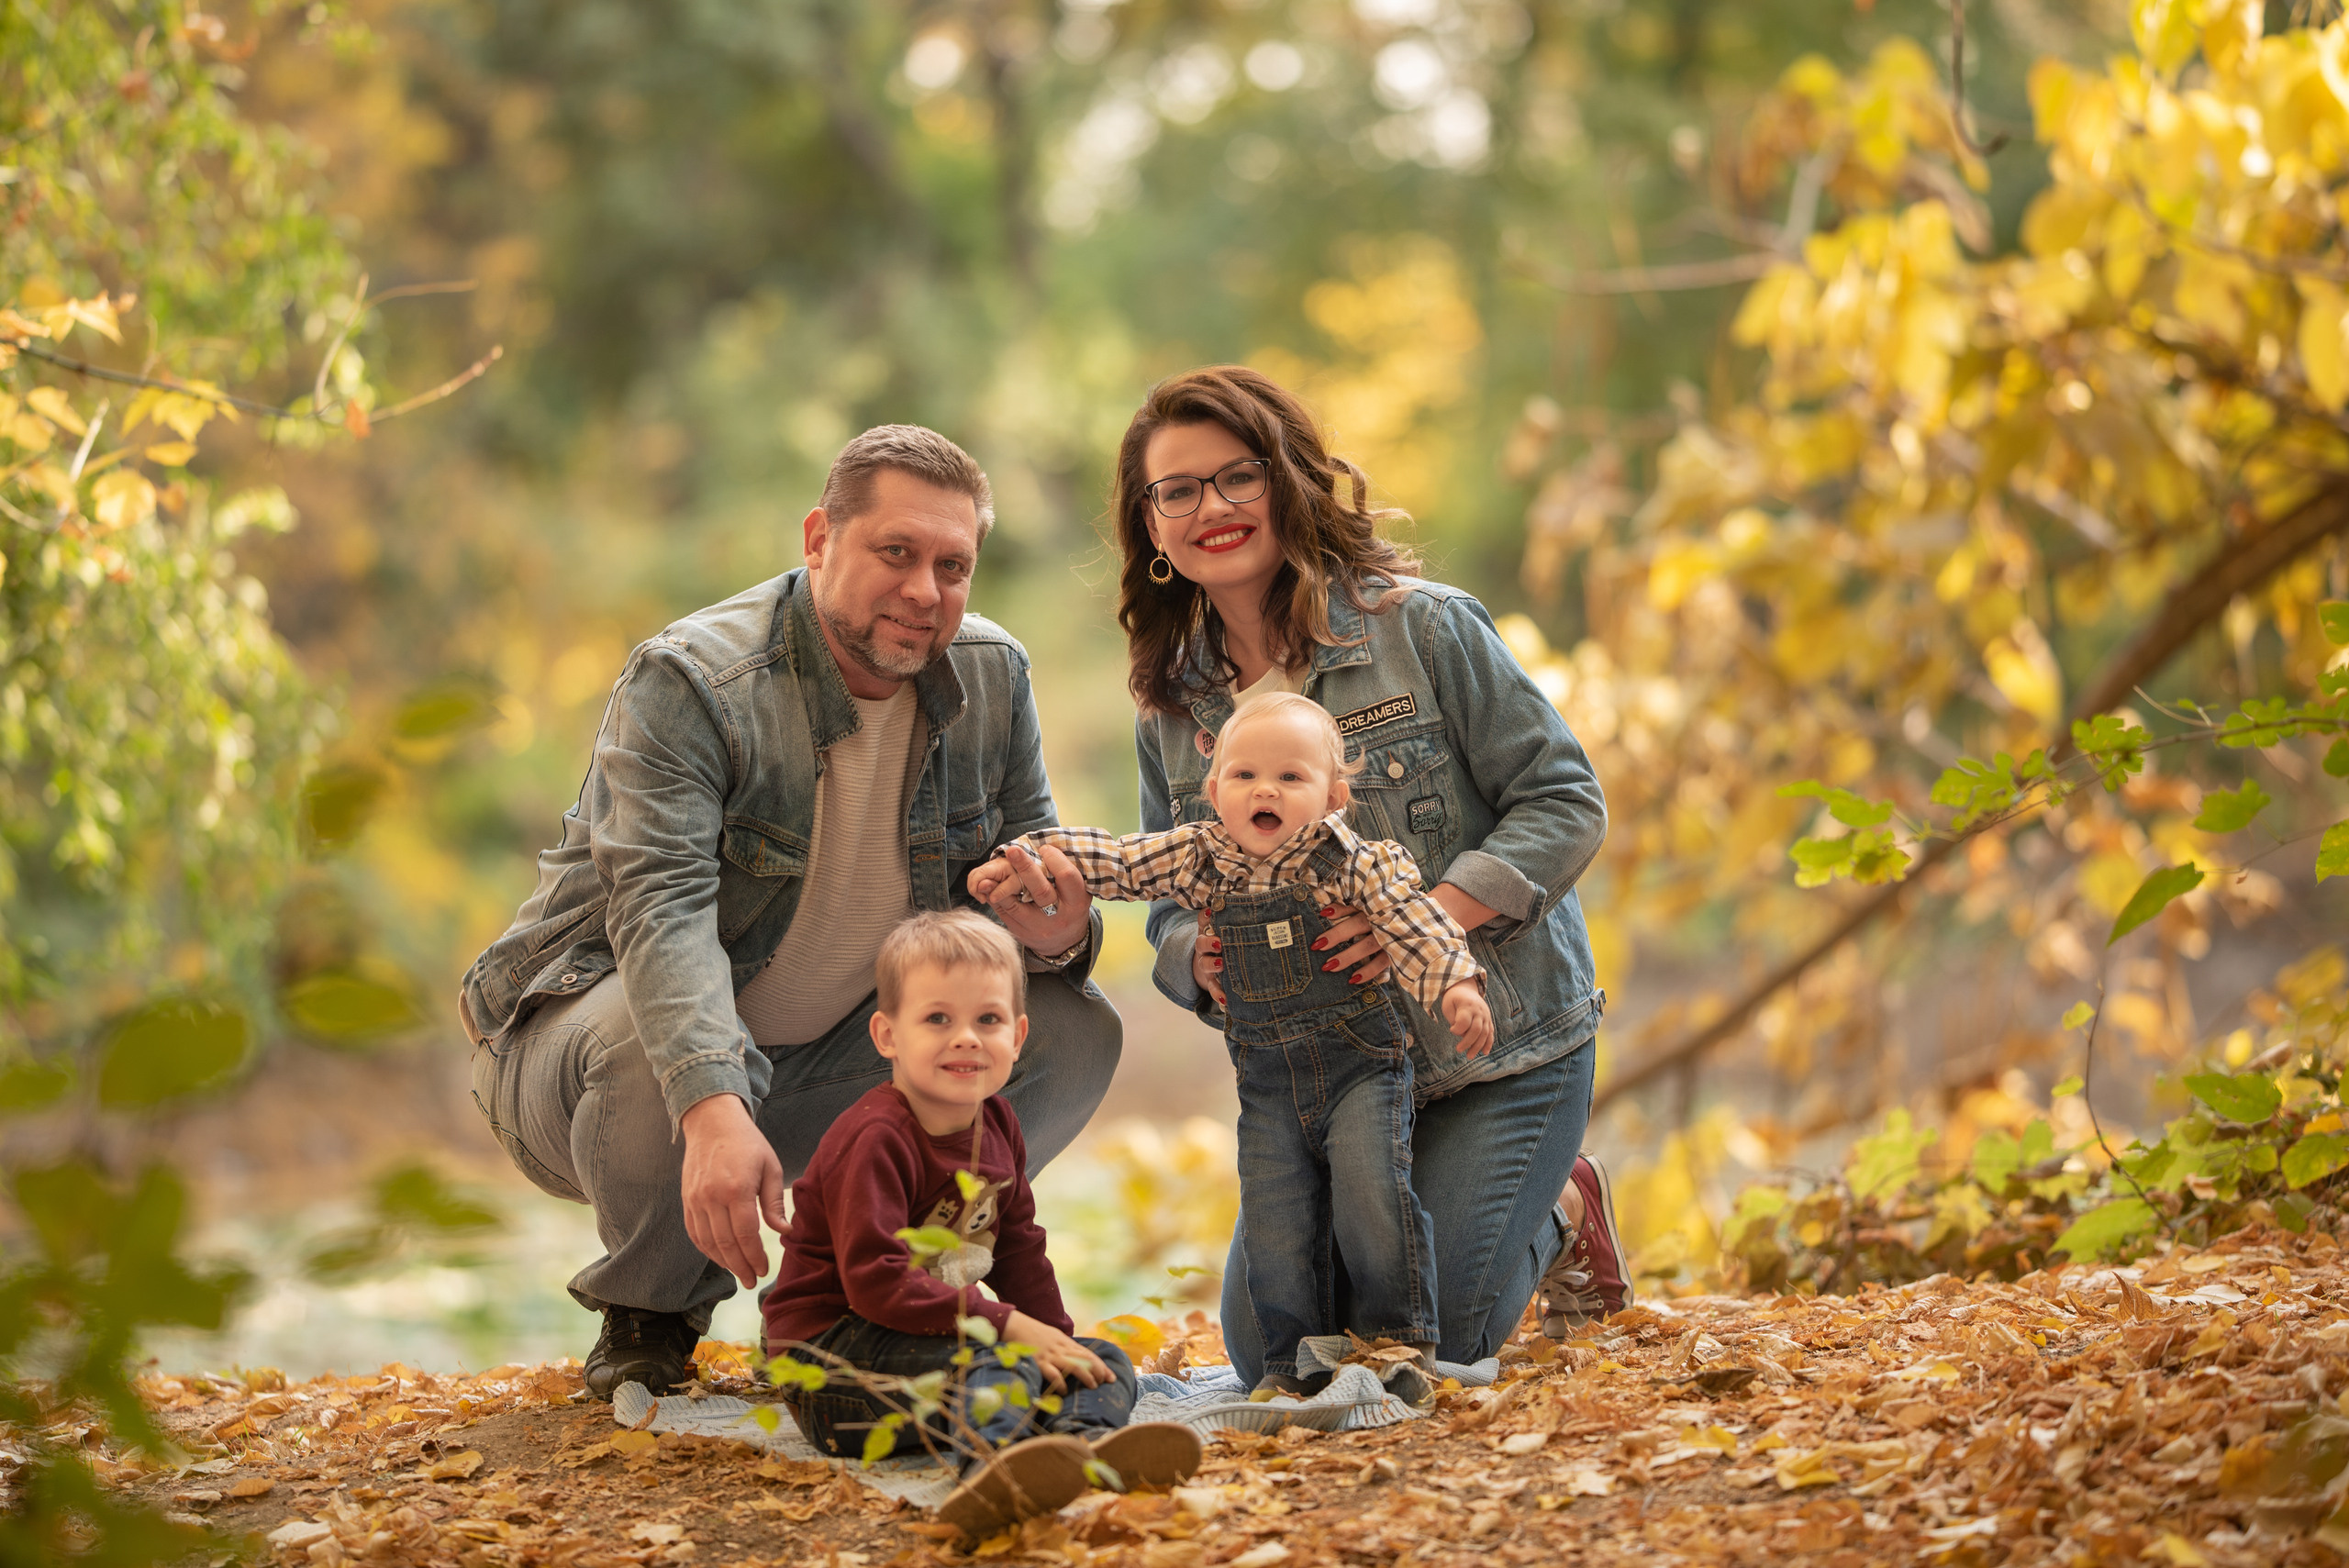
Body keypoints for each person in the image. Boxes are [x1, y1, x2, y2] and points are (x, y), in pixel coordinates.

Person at [459, 426, 1119, 1398]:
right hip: (580, 1055)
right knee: (660, 1048)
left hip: (825, 1060)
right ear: (819, 538)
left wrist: (1058, 930)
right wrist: (714, 1107)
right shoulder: (691, 681)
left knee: (1063, 1027)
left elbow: (1027, 900)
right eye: (895, 552)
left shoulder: (992, 675)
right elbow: (662, 912)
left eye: (952, 565)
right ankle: (651, 1311)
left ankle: (896, 1290)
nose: (924, 592)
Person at [1102, 365, 1628, 1379]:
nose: (1209, 508)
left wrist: (1424, 919)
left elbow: (1565, 799)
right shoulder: (1170, 707)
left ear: (1289, 480)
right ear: (1152, 527)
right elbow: (1166, 897)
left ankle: (1563, 1206)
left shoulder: (1421, 627)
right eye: (1176, 490)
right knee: (1273, 1357)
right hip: (1324, 1080)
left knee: (1427, 1341)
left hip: (1498, 1055)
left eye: (1236, 477)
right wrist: (1195, 955)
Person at [971, 693, 1490, 1397]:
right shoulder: (1200, 857)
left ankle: (1396, 1342)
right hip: (1268, 1083)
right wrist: (1030, 860)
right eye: (1244, 776)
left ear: (1334, 796)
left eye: (1291, 777)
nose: (1265, 789)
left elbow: (1418, 925)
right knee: (1278, 1216)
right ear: (1214, 791)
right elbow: (1119, 861)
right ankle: (1290, 1361)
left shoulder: (1359, 863)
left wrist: (1455, 986)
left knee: (1373, 1196)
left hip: (1360, 1068)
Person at [765, 912, 1200, 1542]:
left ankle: (1086, 1452)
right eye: (937, 1019)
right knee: (1003, 1361)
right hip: (836, 1367)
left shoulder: (996, 1123)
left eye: (988, 1019)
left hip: (934, 1346)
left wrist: (1059, 1344)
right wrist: (1011, 1328)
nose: (966, 1037)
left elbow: (1020, 1246)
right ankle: (989, 1469)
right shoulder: (875, 1138)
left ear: (1019, 1034)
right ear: (887, 1034)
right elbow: (876, 1284)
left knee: (1101, 1361)